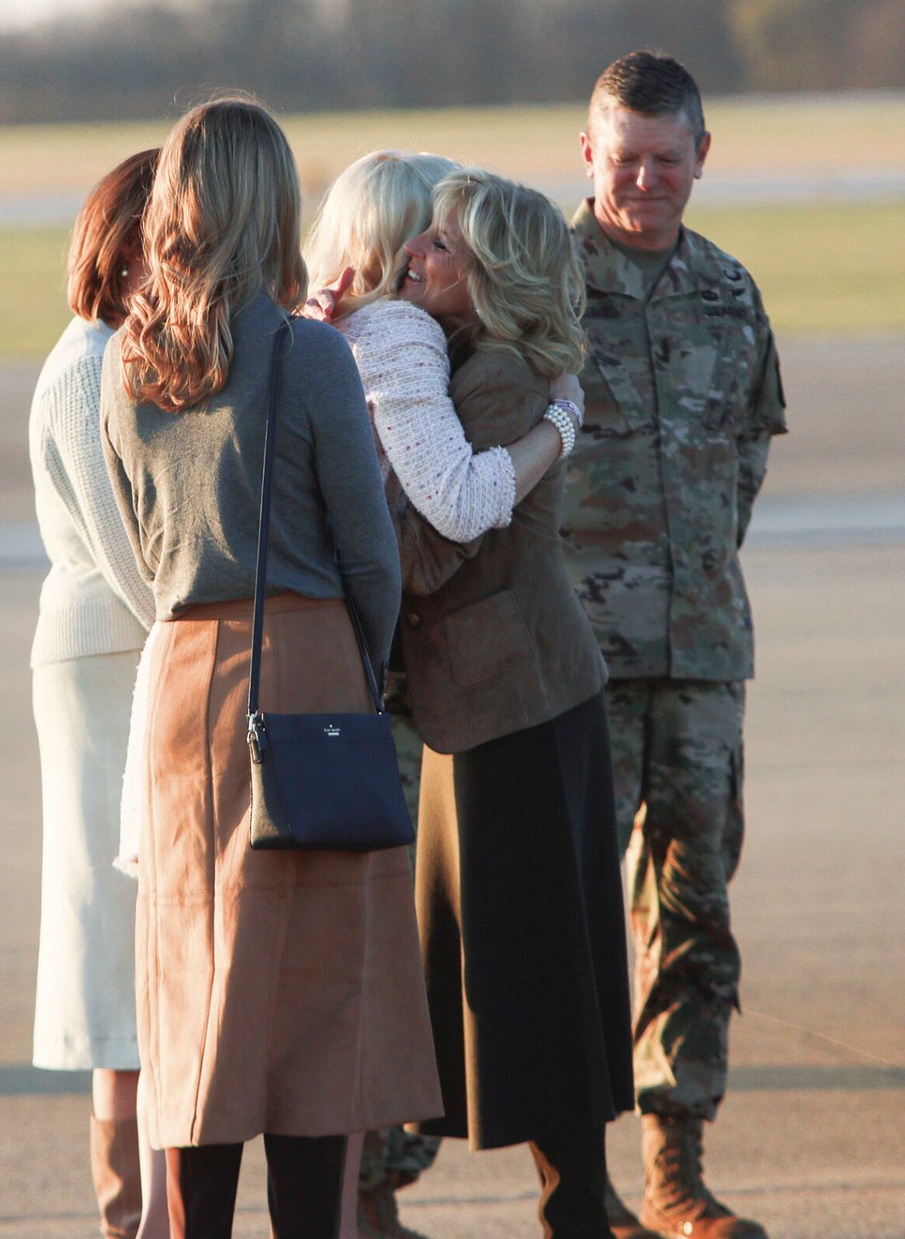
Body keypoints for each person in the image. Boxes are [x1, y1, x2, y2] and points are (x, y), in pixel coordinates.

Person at [100, 96, 442, 1239]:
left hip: (178, 682)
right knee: (315, 1004)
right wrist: (363, 665)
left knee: (198, 996)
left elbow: (146, 543)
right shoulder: (305, 355)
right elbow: (368, 554)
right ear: (271, 202)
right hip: (299, 668)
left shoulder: (126, 367)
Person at [304, 149, 578, 1239]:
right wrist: (558, 431)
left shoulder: (319, 328)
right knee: (415, 951)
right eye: (422, 234)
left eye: (445, 243)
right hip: (400, 682)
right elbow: (458, 511)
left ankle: (361, 1188)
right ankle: (371, 1188)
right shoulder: (408, 338)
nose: (425, 256)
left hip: (338, 674)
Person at [563, 52, 787, 1239]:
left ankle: (674, 1173)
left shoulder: (730, 293)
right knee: (564, 926)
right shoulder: (531, 285)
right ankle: (566, 1179)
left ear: (702, 157)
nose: (645, 181)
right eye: (624, 158)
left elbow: (742, 463)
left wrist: (678, 576)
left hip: (700, 660)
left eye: (668, 159)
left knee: (693, 916)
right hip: (567, 667)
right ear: (586, 155)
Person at [392, 167, 635, 1238]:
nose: (416, 256)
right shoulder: (473, 363)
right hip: (504, 701)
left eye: (441, 247)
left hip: (512, 708)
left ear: (488, 276)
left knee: (526, 968)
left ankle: (573, 1206)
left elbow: (427, 555)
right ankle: (567, 1200)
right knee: (518, 962)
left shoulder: (493, 380)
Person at [29, 147, 169, 1239]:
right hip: (113, 657)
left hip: (116, 652)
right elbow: (132, 553)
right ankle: (130, 1217)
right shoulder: (89, 367)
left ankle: (143, 1212)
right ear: (119, 246)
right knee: (117, 961)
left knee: (136, 957)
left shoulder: (117, 351)